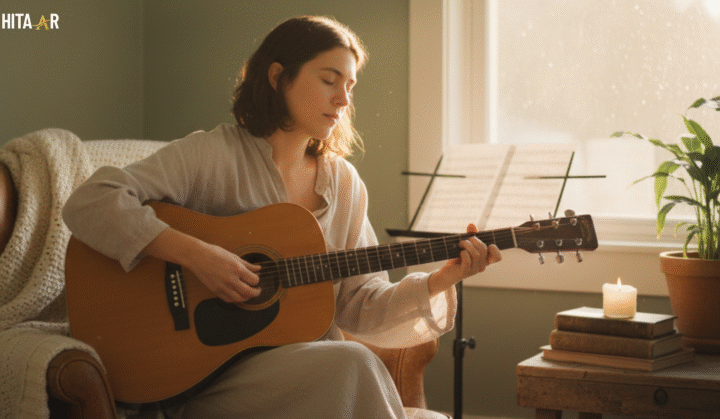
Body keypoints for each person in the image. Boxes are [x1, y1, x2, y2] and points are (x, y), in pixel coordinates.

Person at [62, 15, 502, 419]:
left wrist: (442, 279)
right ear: (278, 77)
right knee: (353, 362)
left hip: (308, 369)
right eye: (330, 80)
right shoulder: (214, 154)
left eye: (350, 85)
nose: (343, 99)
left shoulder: (343, 184)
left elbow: (359, 303)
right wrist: (198, 256)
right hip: (204, 380)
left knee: (350, 363)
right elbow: (91, 201)